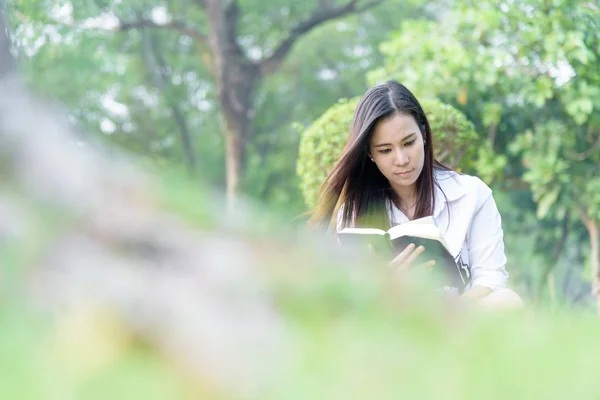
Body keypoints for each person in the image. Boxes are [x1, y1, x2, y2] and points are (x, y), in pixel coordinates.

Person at [308, 80, 523, 310]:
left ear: (423, 135)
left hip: (459, 319)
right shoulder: (354, 212)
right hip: (394, 322)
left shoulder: (471, 194)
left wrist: (444, 313)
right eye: (385, 150)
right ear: (370, 154)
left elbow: (490, 279)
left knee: (509, 302)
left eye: (408, 143)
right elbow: (349, 298)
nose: (401, 159)